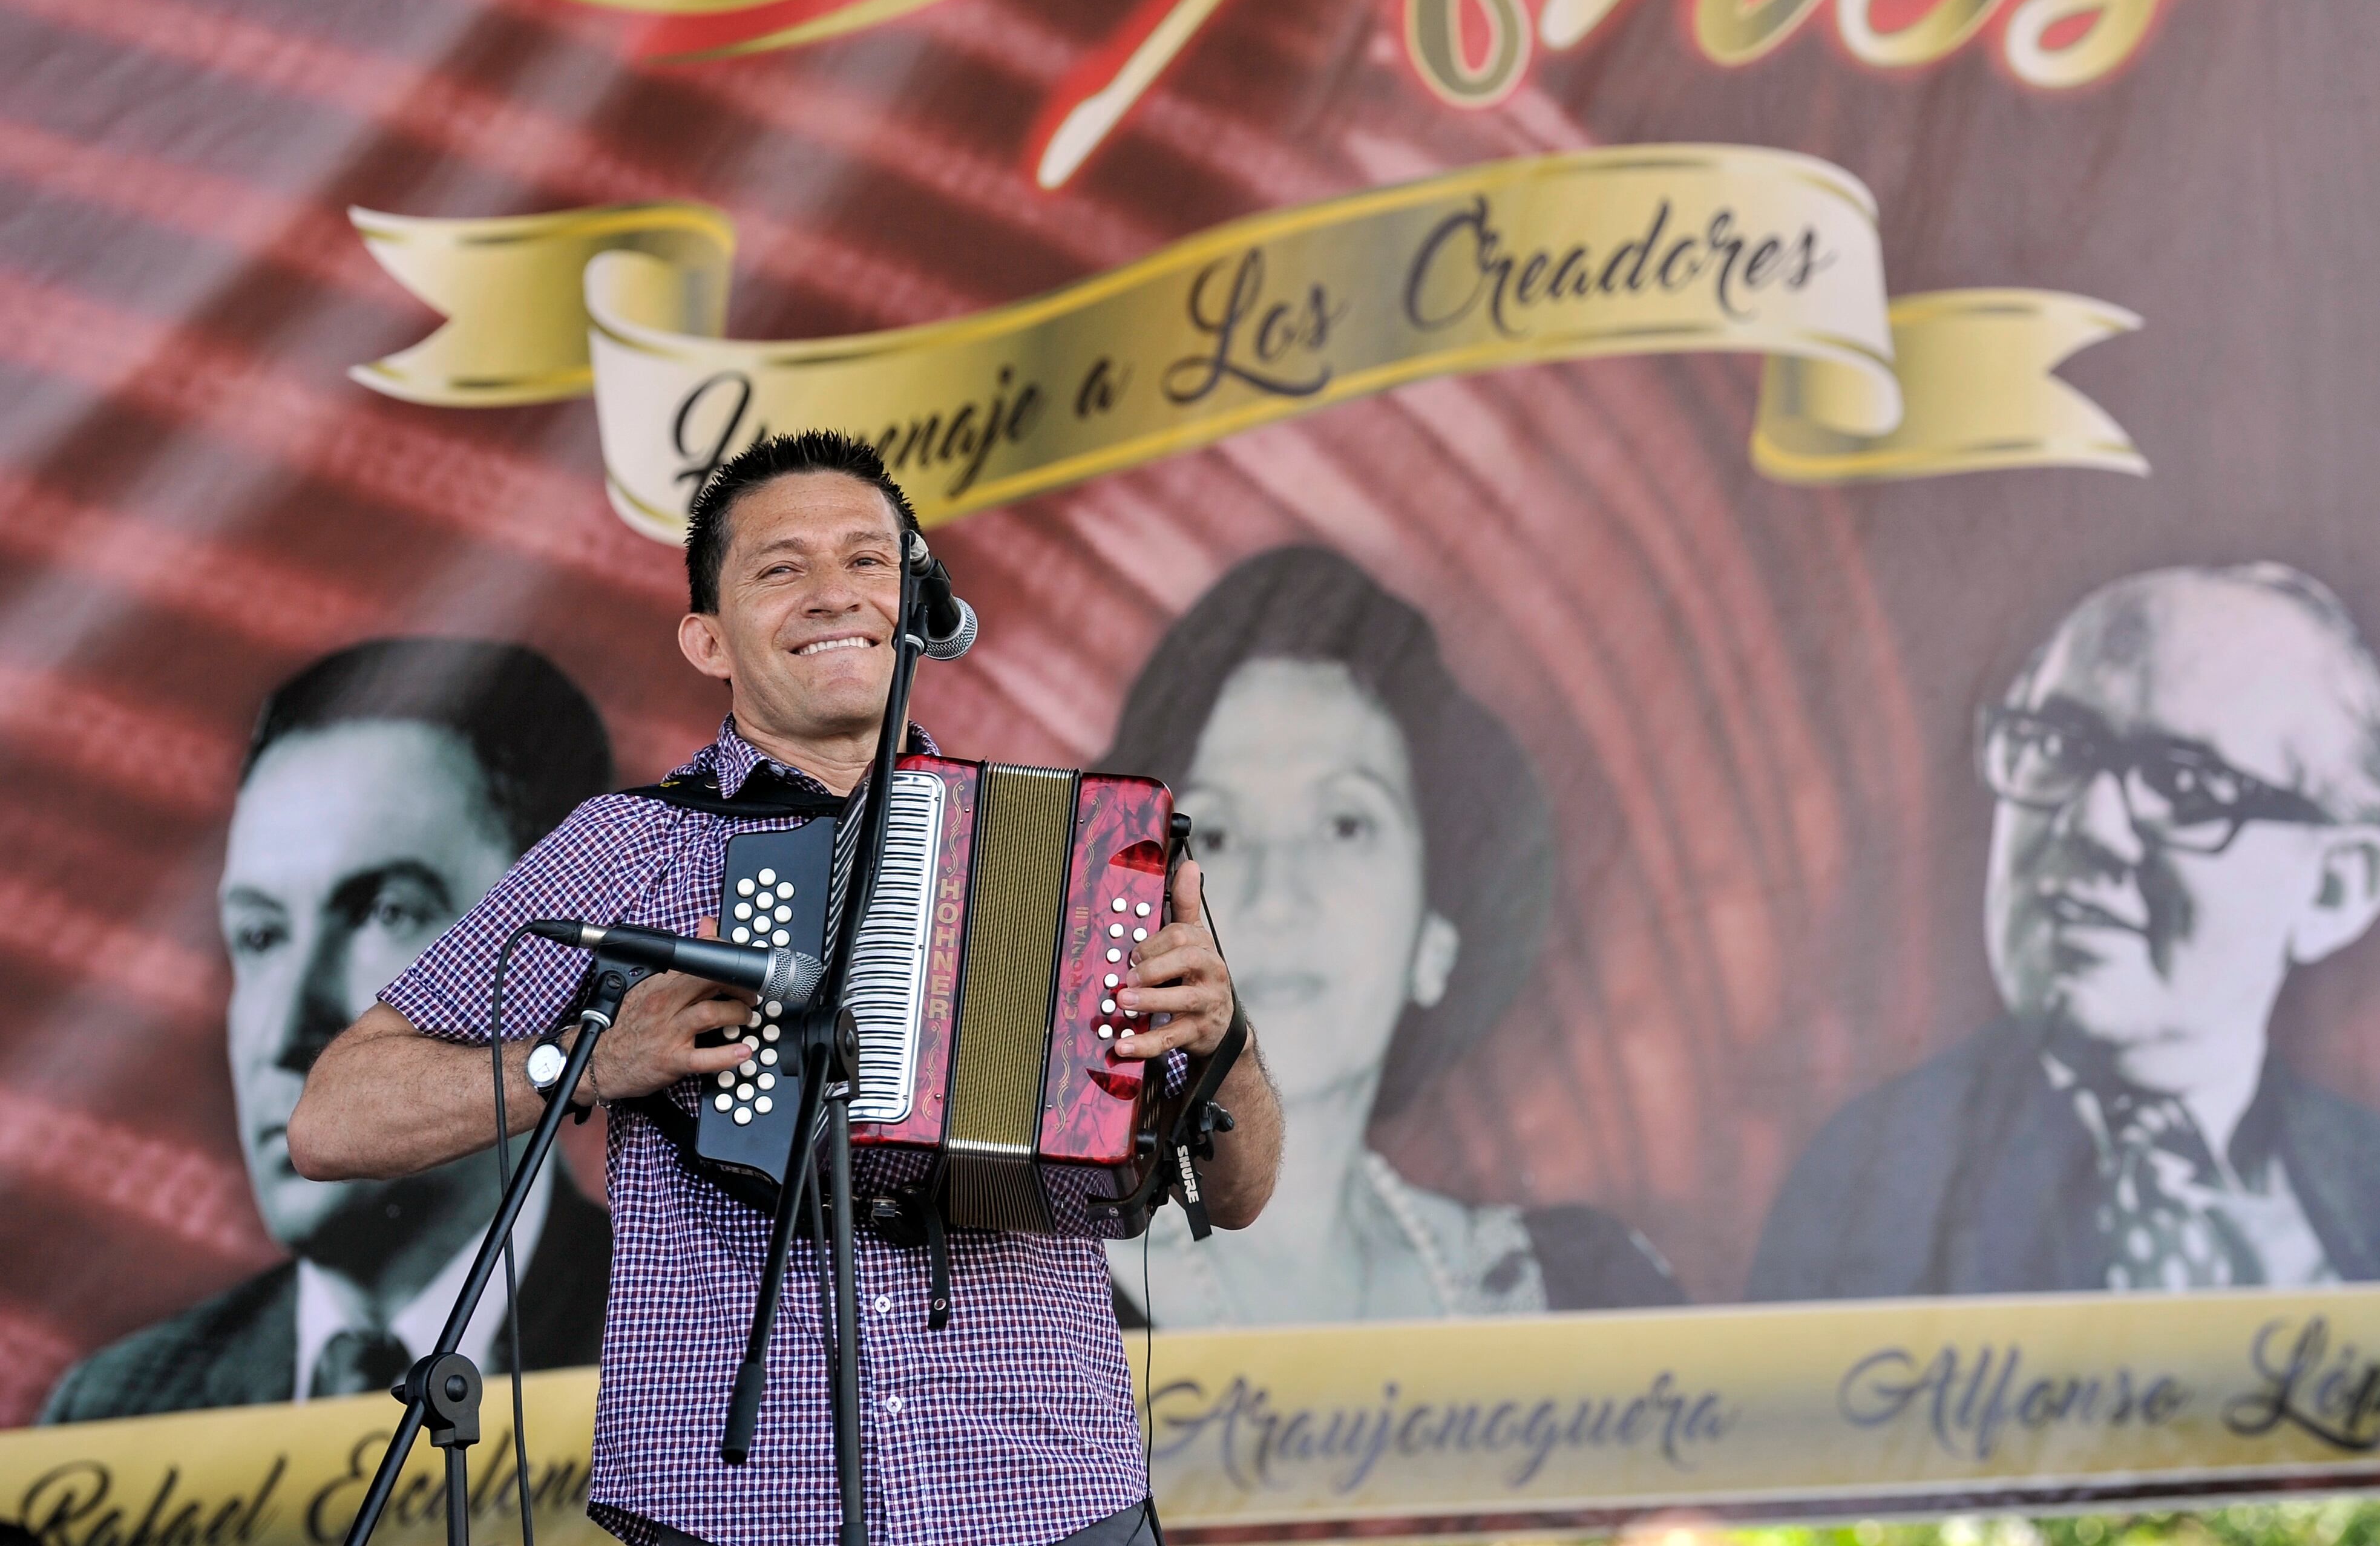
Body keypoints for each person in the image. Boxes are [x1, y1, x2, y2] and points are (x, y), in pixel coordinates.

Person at [284, 432, 1280, 1546]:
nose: (833, 593)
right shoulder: (632, 846)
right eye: (778, 567)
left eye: (868, 559)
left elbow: (1237, 1191)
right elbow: (332, 1117)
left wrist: (1225, 1032)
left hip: (1048, 1492)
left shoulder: (1073, 854)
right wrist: (595, 1056)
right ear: (705, 638)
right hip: (741, 1506)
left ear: (914, 604)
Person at [1749, 563, 2380, 1300]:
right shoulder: (1871, 1186)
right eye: (2060, 748)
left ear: (2333, 890)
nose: (2088, 825)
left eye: (2186, 785)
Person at [1097, 546, 1682, 1325]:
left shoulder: (1582, 1295)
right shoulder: (1022, 1299)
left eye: (1344, 823)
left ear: (1435, 939)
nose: (1277, 900)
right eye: (1224, 834)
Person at [42, 639, 615, 1423]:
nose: (285, 1032)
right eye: (260, 935)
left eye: (388, 913)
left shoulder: (715, 1360)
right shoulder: (113, 1415)